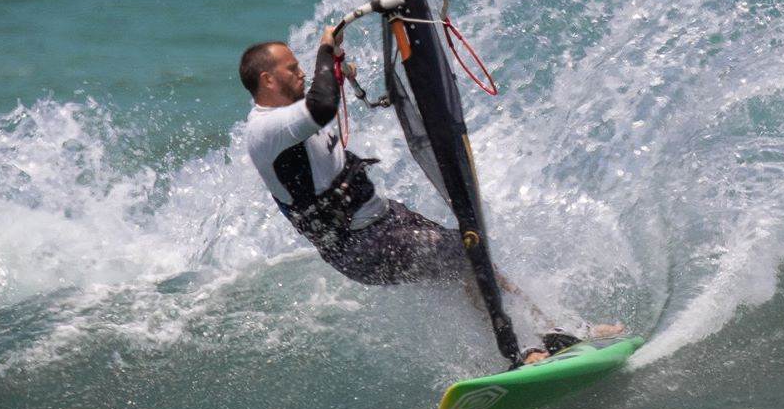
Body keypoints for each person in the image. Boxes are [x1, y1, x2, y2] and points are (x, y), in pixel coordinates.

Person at [240, 28, 623, 362]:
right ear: (267, 80)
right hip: (357, 246)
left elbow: (322, 96)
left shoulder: (290, 111)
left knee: (475, 256)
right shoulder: (267, 130)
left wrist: (339, 67)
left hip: (385, 219)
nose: (302, 72)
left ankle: (557, 330)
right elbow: (322, 105)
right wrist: (325, 51)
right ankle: (521, 351)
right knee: (464, 257)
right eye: (292, 68)